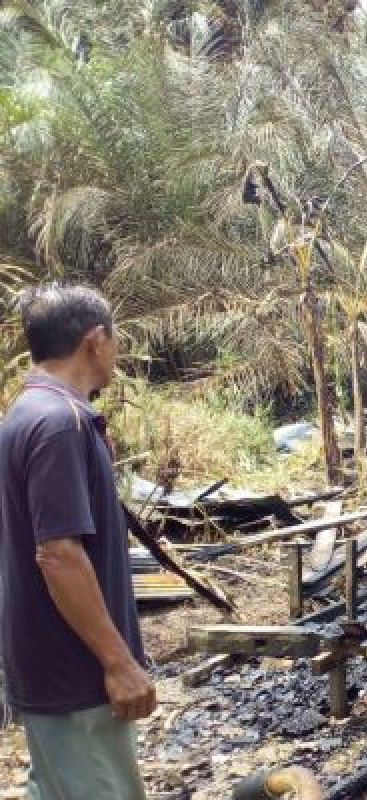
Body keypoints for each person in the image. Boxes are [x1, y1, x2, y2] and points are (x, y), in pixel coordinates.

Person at [0, 285, 154, 799]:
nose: (116, 353)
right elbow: (59, 555)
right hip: (75, 673)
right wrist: (118, 662)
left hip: (50, 667)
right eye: (115, 341)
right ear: (94, 340)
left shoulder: (30, 413)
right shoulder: (58, 424)